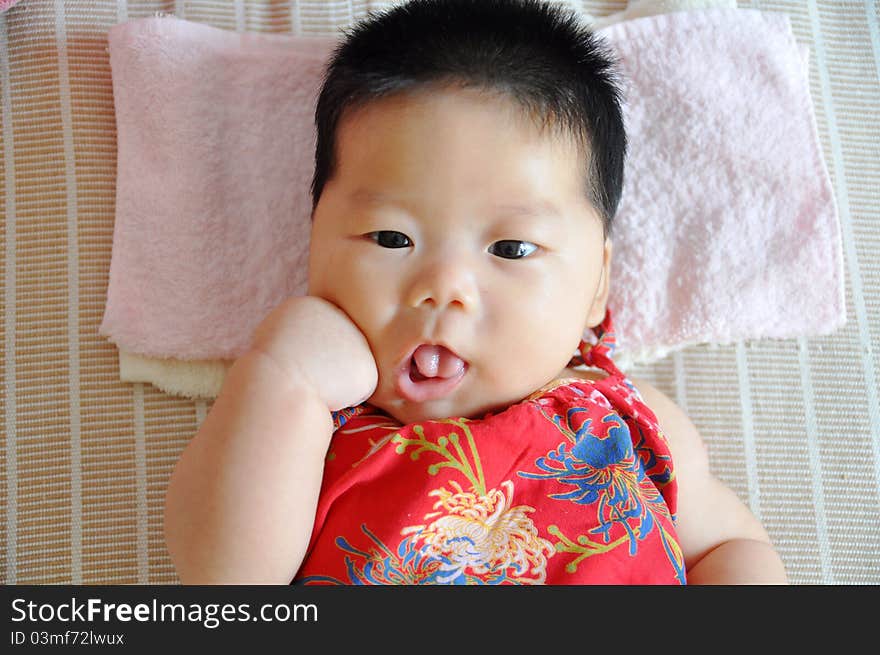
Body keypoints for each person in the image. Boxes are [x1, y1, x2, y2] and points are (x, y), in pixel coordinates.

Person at [163, 0, 787, 584]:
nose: (443, 289)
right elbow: (226, 580)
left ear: (597, 285)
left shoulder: (625, 415)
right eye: (389, 237)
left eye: (511, 250)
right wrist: (282, 376)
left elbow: (729, 548)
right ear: (314, 243)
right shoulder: (310, 424)